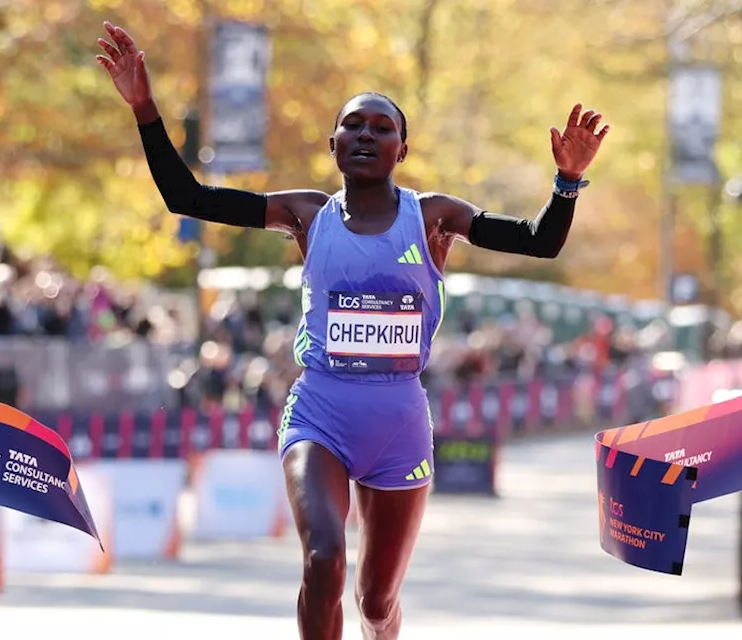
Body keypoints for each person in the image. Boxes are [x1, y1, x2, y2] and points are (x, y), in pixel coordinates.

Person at [95, 21, 609, 640]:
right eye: (354, 125)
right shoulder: (305, 214)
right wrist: (145, 108)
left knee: (375, 603)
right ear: (332, 144)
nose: (366, 133)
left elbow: (538, 242)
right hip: (320, 411)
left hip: (399, 424)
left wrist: (568, 182)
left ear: (402, 149)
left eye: (382, 127)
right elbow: (187, 198)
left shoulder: (434, 217)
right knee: (322, 561)